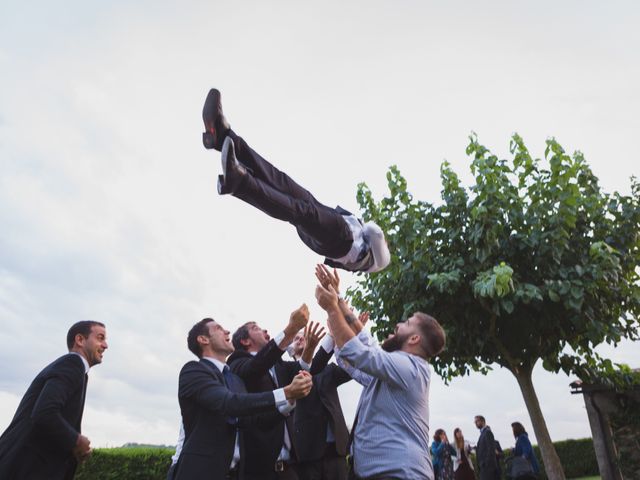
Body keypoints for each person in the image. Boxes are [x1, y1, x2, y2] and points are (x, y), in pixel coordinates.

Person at [201, 88, 391, 273]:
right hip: (329, 234)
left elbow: (375, 231)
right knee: (283, 183)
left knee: (301, 211)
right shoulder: (364, 252)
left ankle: (241, 183)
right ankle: (222, 134)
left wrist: (369, 229)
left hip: (342, 239)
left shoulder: (378, 259)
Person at [314, 267, 446, 480]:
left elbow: (357, 352)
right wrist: (338, 298)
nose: (398, 325)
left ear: (414, 339)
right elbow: (365, 342)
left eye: (407, 324)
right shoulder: (394, 370)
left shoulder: (410, 368)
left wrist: (331, 309)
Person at [173, 317, 313, 480]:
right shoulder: (193, 371)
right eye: (218, 328)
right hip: (201, 473)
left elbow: (252, 420)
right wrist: (286, 392)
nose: (227, 331)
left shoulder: (235, 381)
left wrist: (288, 404)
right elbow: (229, 403)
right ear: (203, 339)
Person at [0, 321, 108, 480]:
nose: (105, 345)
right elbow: (45, 412)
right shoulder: (73, 364)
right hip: (25, 468)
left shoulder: (77, 371)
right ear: (80, 340)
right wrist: (76, 440)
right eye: (100, 338)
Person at [227, 305, 322, 480]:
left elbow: (301, 368)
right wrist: (291, 330)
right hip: (259, 469)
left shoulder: (277, 365)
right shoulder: (237, 363)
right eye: (256, 328)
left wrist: (311, 347)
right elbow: (256, 367)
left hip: (288, 468)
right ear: (245, 341)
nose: (265, 330)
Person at [289, 320, 352, 480]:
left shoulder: (328, 369)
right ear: (290, 350)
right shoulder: (287, 373)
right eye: (296, 338)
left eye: (304, 336)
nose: (300, 339)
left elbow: (350, 370)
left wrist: (347, 335)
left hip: (336, 449)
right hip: (309, 451)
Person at [474, 416, 499, 480]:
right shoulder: (483, 433)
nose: (476, 423)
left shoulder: (487, 432)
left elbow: (490, 449)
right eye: (475, 422)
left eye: (477, 421)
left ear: (483, 421)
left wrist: (486, 464)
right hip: (484, 467)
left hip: (488, 468)